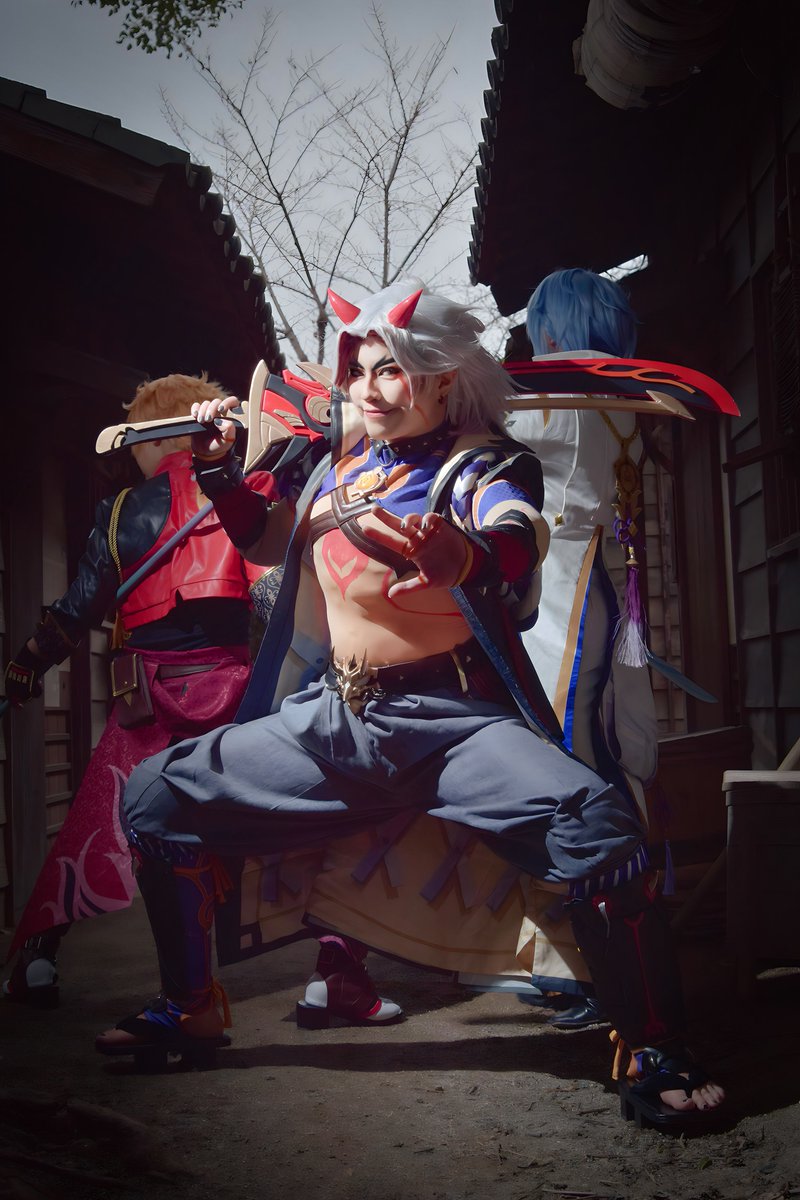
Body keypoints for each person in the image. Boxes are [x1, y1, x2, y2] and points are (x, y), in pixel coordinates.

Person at [97, 282, 724, 1127]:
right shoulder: (337, 465)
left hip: (449, 725)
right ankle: (190, 1005)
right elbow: (266, 538)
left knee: (601, 829)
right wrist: (217, 470)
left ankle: (655, 1044)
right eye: (359, 370)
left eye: (390, 370)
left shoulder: (484, 463)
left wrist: (464, 554)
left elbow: (513, 532)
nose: (368, 387)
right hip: (333, 722)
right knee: (154, 798)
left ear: (443, 377)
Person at [3, 374, 286, 1005]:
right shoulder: (244, 493)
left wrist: (27, 664)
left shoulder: (121, 511)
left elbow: (80, 608)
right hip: (234, 691)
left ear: (157, 437)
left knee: (97, 822)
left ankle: (39, 960)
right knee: (288, 816)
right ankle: (336, 965)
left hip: (148, 697)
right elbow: (273, 596)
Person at [507, 268, 660, 1030]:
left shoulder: (557, 399)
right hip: (605, 585)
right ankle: (572, 954)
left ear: (554, 329)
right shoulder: (626, 401)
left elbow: (491, 434)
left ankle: (587, 961)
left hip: (564, 590)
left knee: (562, 763)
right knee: (592, 752)